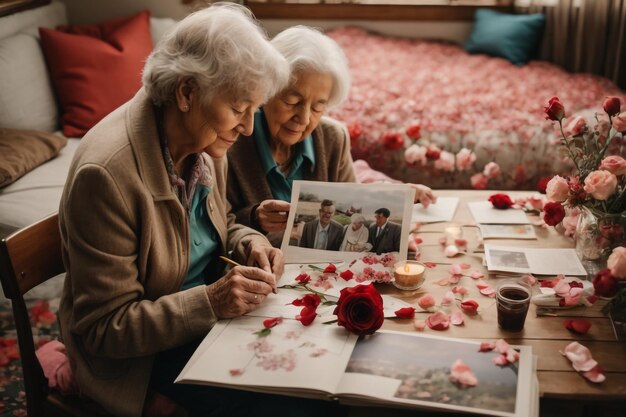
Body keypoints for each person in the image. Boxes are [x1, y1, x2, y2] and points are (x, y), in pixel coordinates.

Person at [57, 5, 341, 417]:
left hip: (206, 326)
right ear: (187, 92)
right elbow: (105, 329)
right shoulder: (106, 176)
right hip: (143, 361)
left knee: (322, 376)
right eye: (239, 109)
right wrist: (211, 302)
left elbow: (221, 222)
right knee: (306, 404)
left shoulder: (205, 140)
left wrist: (251, 243)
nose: (247, 128)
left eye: (253, 111)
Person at [227, 26, 436, 246]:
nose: (304, 118)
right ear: (266, 91)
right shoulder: (232, 141)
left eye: (318, 108)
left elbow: (353, 209)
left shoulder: (333, 138)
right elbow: (217, 225)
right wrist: (253, 218)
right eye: (292, 102)